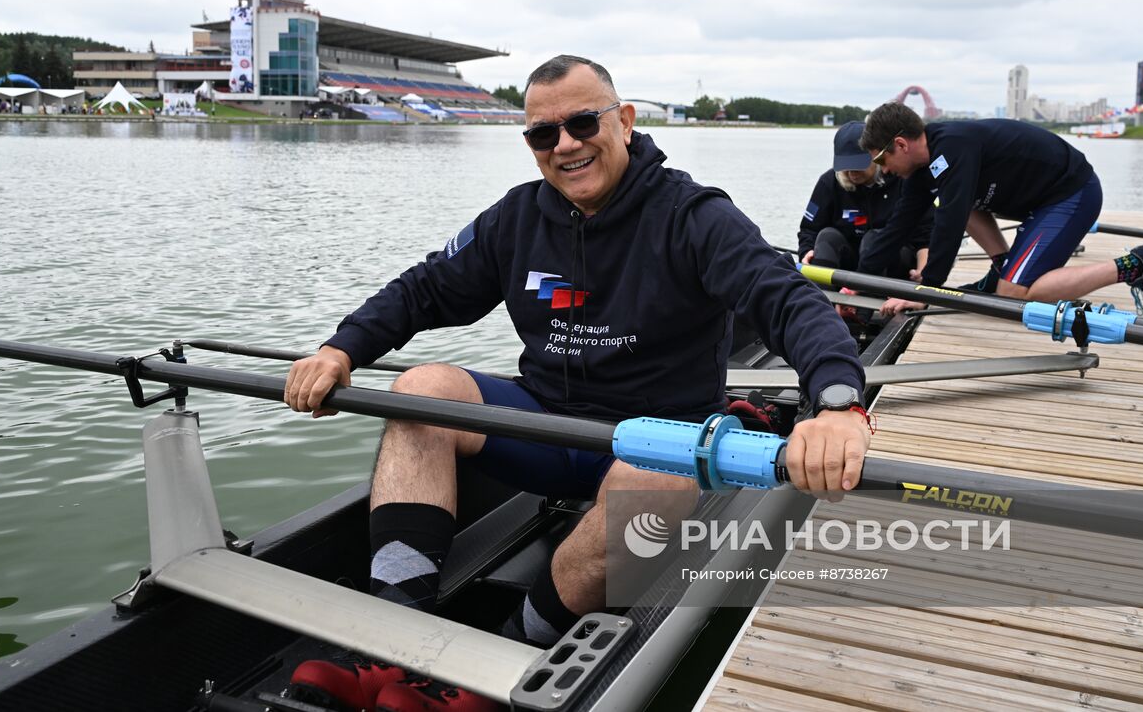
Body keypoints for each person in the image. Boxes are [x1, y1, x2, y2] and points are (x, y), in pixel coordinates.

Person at [282, 55, 869, 710]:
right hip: (545, 423)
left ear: (623, 121)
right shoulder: (516, 217)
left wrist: (838, 404)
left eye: (582, 122)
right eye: (542, 134)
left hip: (650, 442)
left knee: (658, 467)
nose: (564, 145)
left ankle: (500, 665)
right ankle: (391, 649)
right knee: (421, 386)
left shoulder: (693, 215)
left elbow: (786, 301)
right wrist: (341, 348)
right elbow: (425, 288)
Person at [856, 101, 1143, 319]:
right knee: (955, 200)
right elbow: (898, 227)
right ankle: (1001, 265)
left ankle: (1137, 264)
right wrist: (854, 282)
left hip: (1072, 194)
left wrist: (927, 290)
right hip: (1040, 200)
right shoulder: (920, 170)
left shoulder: (953, 145)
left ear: (901, 145)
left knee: (1013, 293)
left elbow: (949, 225)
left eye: (881, 160)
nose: (883, 170)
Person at [799, 120, 931, 280]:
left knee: (873, 239)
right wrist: (807, 252)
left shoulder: (901, 178)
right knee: (827, 237)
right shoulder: (829, 183)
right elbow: (809, 229)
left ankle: (869, 299)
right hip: (849, 261)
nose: (851, 172)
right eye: (846, 166)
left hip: (894, 262)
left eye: (857, 165)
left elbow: (926, 234)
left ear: (876, 156)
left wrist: (924, 273)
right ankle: (824, 299)